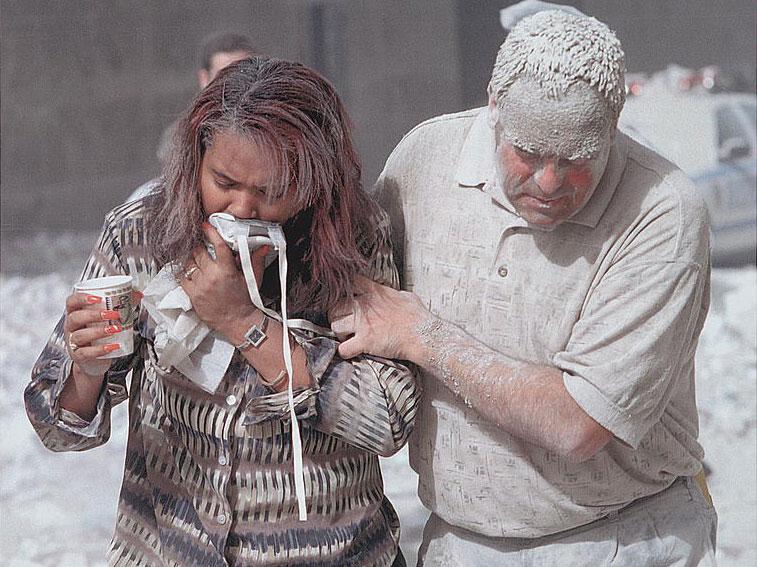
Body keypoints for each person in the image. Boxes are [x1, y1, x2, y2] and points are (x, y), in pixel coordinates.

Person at [329, 11, 717, 566]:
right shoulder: (425, 161)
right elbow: (354, 294)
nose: (550, 182)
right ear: (493, 106)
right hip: (460, 541)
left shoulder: (661, 211)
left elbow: (578, 424)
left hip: (620, 539)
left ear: (614, 125)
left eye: (577, 159)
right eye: (529, 154)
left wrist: (424, 336)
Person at [25, 57, 417, 566]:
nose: (241, 209)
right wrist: (88, 370)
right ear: (197, 158)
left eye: (271, 192)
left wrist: (244, 323)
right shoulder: (141, 235)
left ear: (317, 184)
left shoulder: (351, 242)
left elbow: (386, 422)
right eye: (225, 181)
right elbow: (56, 428)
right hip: (168, 548)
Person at [128, 32, 255, 201]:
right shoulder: (183, 134)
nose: (234, 82)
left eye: (243, 72)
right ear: (204, 78)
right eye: (223, 75)